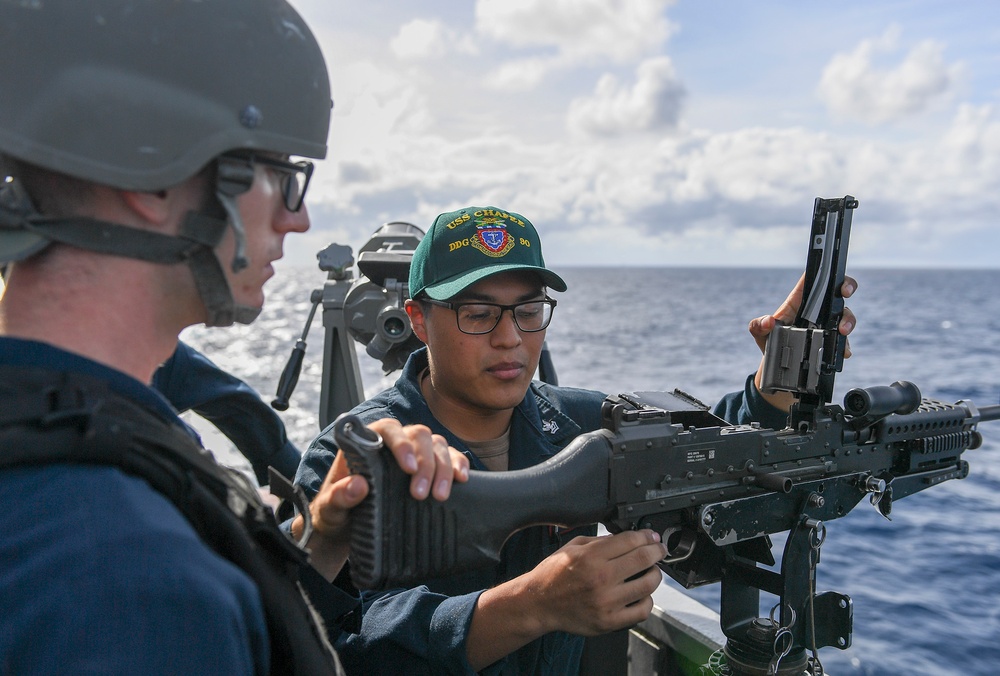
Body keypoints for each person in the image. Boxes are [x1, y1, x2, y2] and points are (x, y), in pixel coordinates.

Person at [0, 2, 467, 674]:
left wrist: (320, 535)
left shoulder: (58, 450)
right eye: (281, 173)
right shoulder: (131, 576)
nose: (298, 218)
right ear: (153, 174)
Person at [296, 205, 857, 675]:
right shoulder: (352, 458)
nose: (510, 338)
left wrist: (780, 373)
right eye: (477, 314)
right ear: (419, 320)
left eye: (529, 311)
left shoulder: (577, 423)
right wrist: (530, 606)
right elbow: (326, 648)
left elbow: (713, 450)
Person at [154, 340, 302, 484]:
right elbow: (236, 404)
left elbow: (237, 405)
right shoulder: (159, 350)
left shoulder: (162, 352)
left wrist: (293, 476)